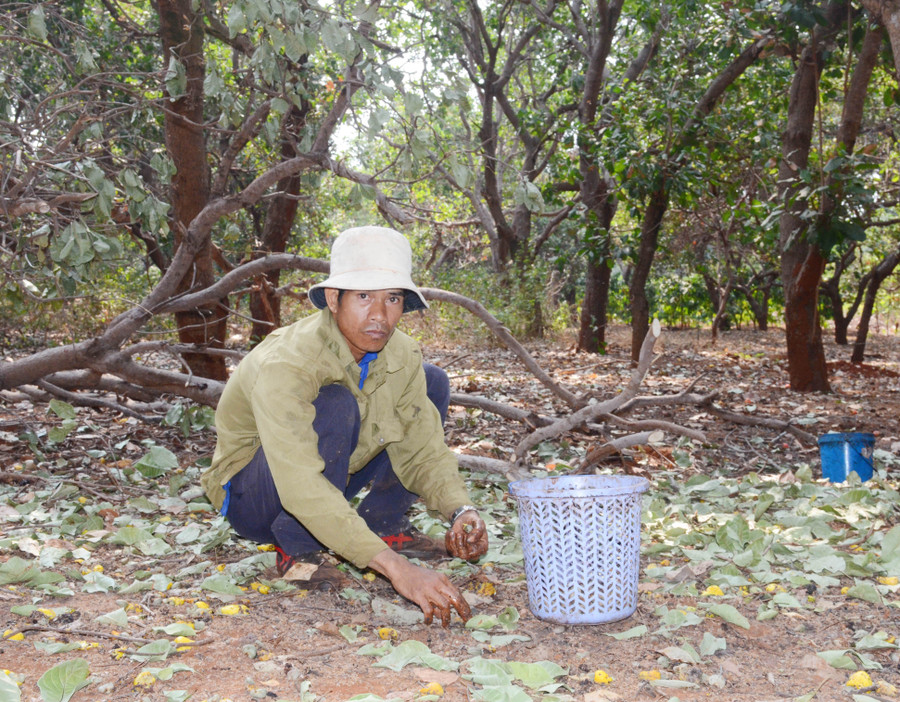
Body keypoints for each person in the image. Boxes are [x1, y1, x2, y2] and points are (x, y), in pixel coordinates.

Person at [202, 225, 488, 626]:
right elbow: (298, 482)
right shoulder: (290, 362)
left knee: (432, 381)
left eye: (392, 299)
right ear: (334, 299)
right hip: (256, 496)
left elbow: (423, 447)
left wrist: (461, 509)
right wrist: (396, 570)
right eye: (364, 297)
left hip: (332, 475)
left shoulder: (401, 353)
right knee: (336, 403)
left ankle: (384, 524)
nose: (380, 315)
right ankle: (296, 549)